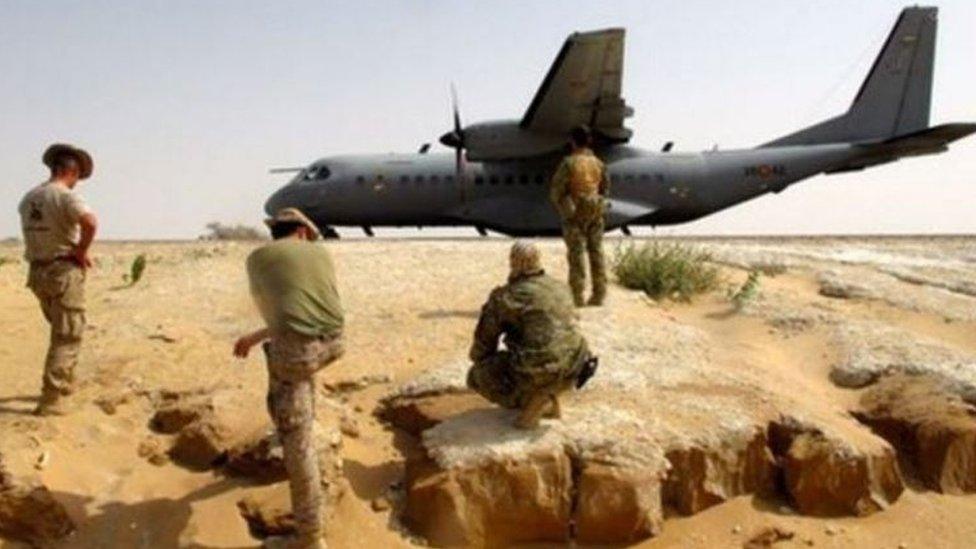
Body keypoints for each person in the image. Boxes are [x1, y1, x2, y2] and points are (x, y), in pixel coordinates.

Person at [233, 208, 344, 549]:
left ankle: (311, 539)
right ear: (302, 231)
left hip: (298, 354)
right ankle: (299, 410)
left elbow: (283, 316)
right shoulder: (321, 253)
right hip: (337, 342)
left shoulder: (258, 259)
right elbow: (300, 313)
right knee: (293, 371)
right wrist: (254, 338)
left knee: (299, 445)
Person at [466, 242, 597, 429]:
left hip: (543, 370)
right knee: (549, 352)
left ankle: (535, 403)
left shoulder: (507, 296)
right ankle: (550, 400)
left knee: (478, 375)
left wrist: (484, 360)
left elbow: (482, 346)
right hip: (577, 365)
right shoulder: (560, 287)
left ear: (513, 262)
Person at [18, 143, 98, 416]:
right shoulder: (64, 196)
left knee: (60, 329)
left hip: (38, 274)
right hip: (62, 272)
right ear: (71, 173)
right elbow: (90, 222)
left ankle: (64, 385)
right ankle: (52, 400)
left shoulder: (29, 198)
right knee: (67, 336)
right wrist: (81, 250)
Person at [549, 124, 611, 307]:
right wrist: (596, 203)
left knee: (577, 255)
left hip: (575, 214)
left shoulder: (569, 163)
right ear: (589, 141)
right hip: (596, 212)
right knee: (596, 252)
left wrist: (568, 211)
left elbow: (556, 191)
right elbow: (605, 188)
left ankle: (577, 297)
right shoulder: (599, 163)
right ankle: (599, 295)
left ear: (572, 141)